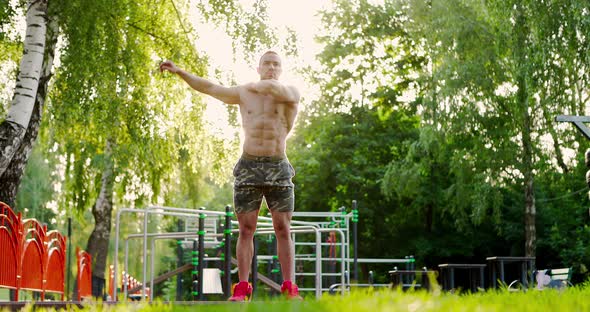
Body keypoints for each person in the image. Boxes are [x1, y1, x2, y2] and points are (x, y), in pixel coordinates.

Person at [160, 51, 302, 301]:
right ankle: (243, 287)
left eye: (276, 64)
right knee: (246, 230)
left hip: (278, 166)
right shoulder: (244, 93)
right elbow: (211, 88)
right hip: (248, 166)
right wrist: (180, 71)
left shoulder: (290, 93)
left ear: (281, 69)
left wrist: (257, 84)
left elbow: (273, 89)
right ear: (258, 67)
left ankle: (289, 287)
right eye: (266, 64)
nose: (271, 68)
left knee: (283, 227)